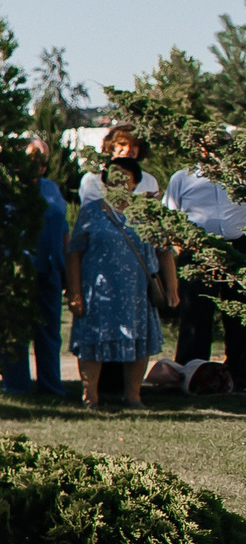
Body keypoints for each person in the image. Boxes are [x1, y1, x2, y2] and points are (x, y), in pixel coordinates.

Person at [67, 156, 178, 410]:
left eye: (125, 177)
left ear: (135, 182)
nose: (120, 181)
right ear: (105, 181)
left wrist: (172, 288)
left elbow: (165, 251)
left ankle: (134, 396)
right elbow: (74, 253)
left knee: (138, 342)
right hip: (98, 292)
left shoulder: (148, 213)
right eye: (115, 175)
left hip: (136, 292)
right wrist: (74, 292)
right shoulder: (91, 211)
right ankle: (90, 397)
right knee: (92, 343)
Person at [2, 137, 71, 398]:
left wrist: (67, 271)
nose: (38, 166)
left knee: (50, 331)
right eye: (32, 160)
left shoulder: (51, 188)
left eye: (42, 162)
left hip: (50, 269)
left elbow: (63, 228)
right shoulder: (4, 189)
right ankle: (16, 387)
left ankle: (51, 388)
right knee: (15, 332)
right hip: (15, 271)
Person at [166, 142, 242, 367]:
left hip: (238, 248)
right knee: (196, 312)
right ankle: (192, 369)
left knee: (239, 311)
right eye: (206, 146)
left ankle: (240, 372)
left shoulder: (240, 176)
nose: (213, 151)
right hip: (198, 250)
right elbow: (171, 214)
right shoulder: (183, 177)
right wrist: (182, 247)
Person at [78, 123, 161, 205]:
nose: (127, 149)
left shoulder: (149, 181)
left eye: (134, 145)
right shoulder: (93, 180)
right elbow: (90, 212)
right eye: (122, 144)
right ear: (111, 146)